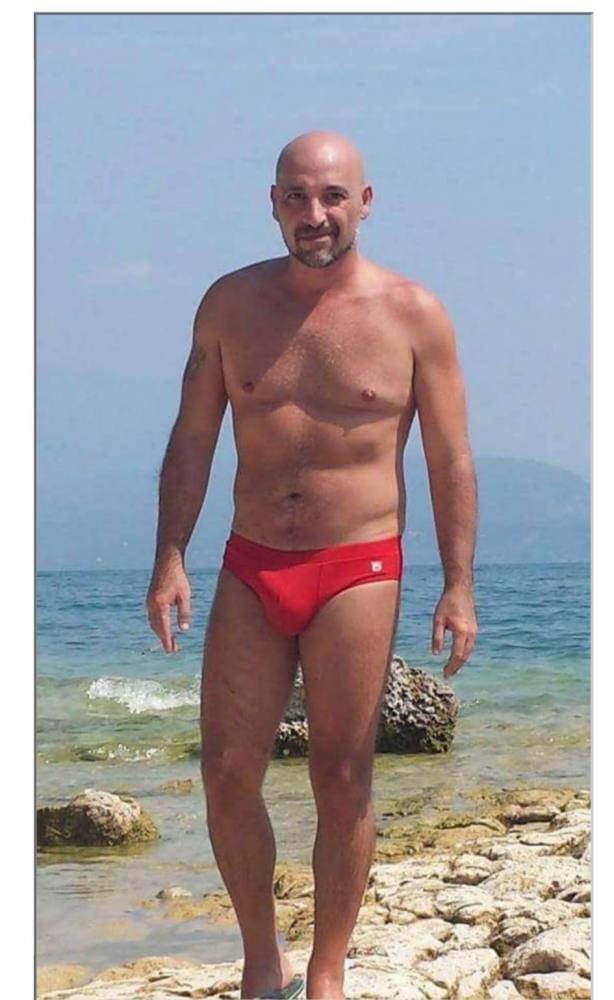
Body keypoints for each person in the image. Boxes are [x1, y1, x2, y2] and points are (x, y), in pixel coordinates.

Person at [146, 130, 478, 1000]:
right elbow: (192, 438)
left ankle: (328, 970)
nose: (314, 214)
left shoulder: (413, 314)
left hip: (358, 564)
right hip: (250, 561)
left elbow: (449, 458)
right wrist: (170, 557)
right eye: (296, 196)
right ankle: (263, 958)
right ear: (273, 203)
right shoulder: (229, 305)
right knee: (227, 773)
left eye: (332, 196)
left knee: (341, 773)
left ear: (365, 202)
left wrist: (458, 584)